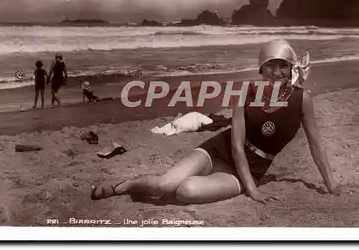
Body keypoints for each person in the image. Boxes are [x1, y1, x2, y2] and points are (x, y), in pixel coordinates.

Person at [90, 39, 339, 204]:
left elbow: (316, 145)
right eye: (270, 66)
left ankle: (169, 183)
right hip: (220, 149)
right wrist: (252, 190)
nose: (276, 72)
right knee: (164, 185)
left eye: (283, 66)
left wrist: (331, 185)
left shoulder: (302, 99)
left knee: (185, 191)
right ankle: (123, 186)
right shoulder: (244, 94)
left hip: (250, 169)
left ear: (290, 69)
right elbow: (236, 147)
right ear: (260, 70)